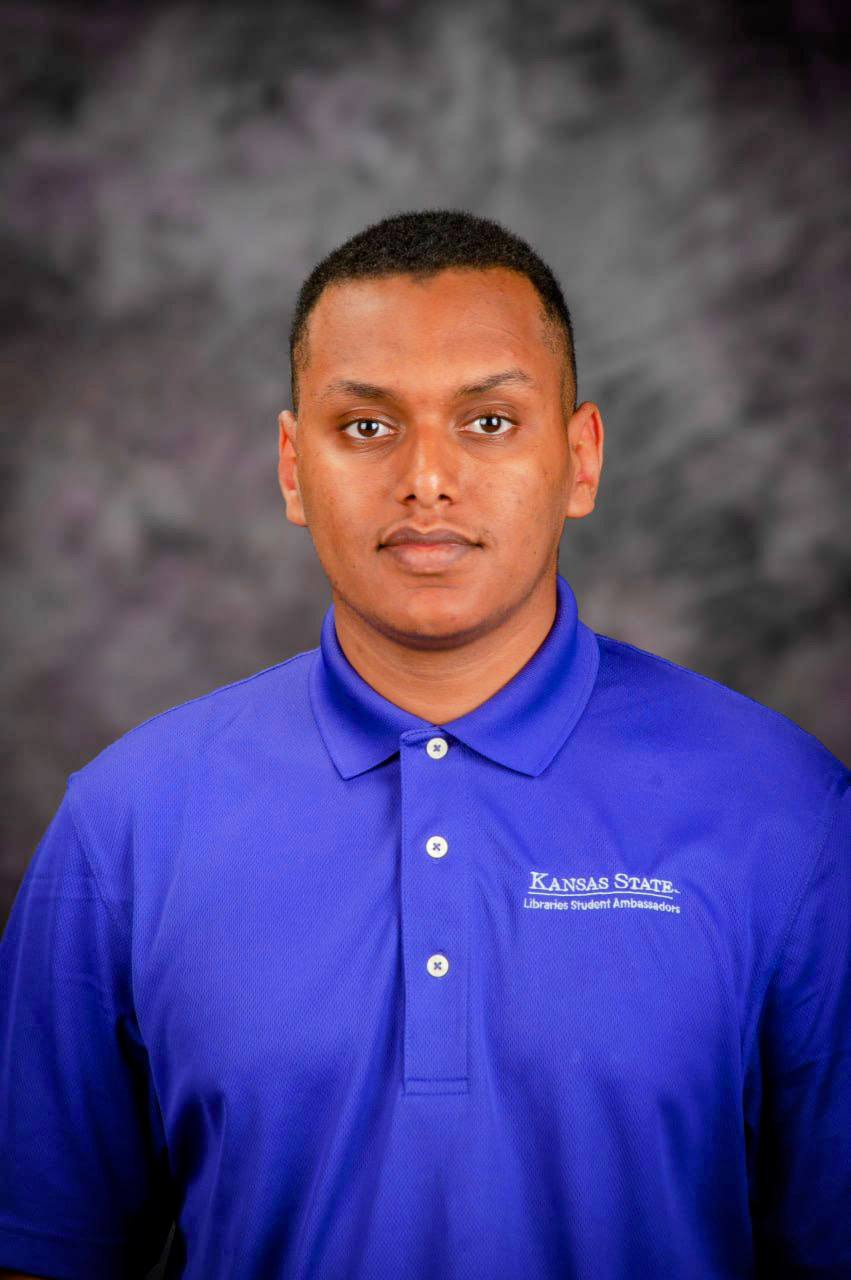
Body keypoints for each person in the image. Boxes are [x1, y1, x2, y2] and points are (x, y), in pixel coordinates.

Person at [0, 208, 848, 1280]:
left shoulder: (789, 811)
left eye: (487, 422)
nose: (426, 478)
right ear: (291, 464)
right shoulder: (123, 824)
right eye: (366, 426)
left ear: (578, 458)